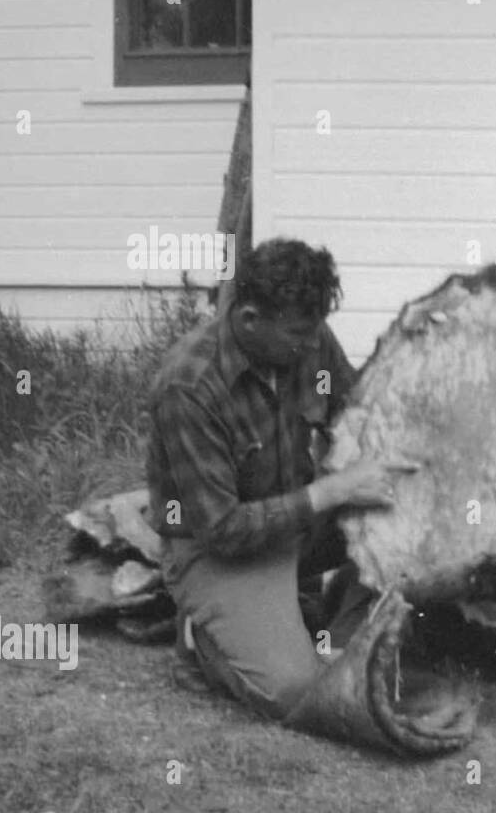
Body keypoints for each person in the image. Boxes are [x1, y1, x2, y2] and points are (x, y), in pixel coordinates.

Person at [145, 237, 412, 719]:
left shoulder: (309, 338)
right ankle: (200, 638)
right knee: (296, 692)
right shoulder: (188, 387)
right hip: (217, 551)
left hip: (296, 526)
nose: (313, 345)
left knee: (406, 516)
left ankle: (325, 622)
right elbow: (222, 529)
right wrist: (331, 490)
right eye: (297, 334)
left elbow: (355, 415)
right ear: (249, 319)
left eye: (317, 330)